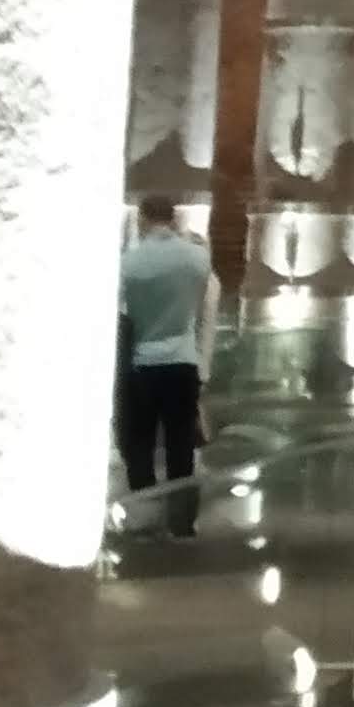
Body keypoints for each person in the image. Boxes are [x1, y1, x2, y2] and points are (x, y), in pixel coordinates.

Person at [116, 201, 214, 534]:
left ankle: (146, 518)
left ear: (143, 218)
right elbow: (202, 307)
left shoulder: (129, 263)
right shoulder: (196, 258)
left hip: (143, 362)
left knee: (140, 443)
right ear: (172, 218)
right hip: (183, 361)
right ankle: (183, 524)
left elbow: (123, 312)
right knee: (180, 446)